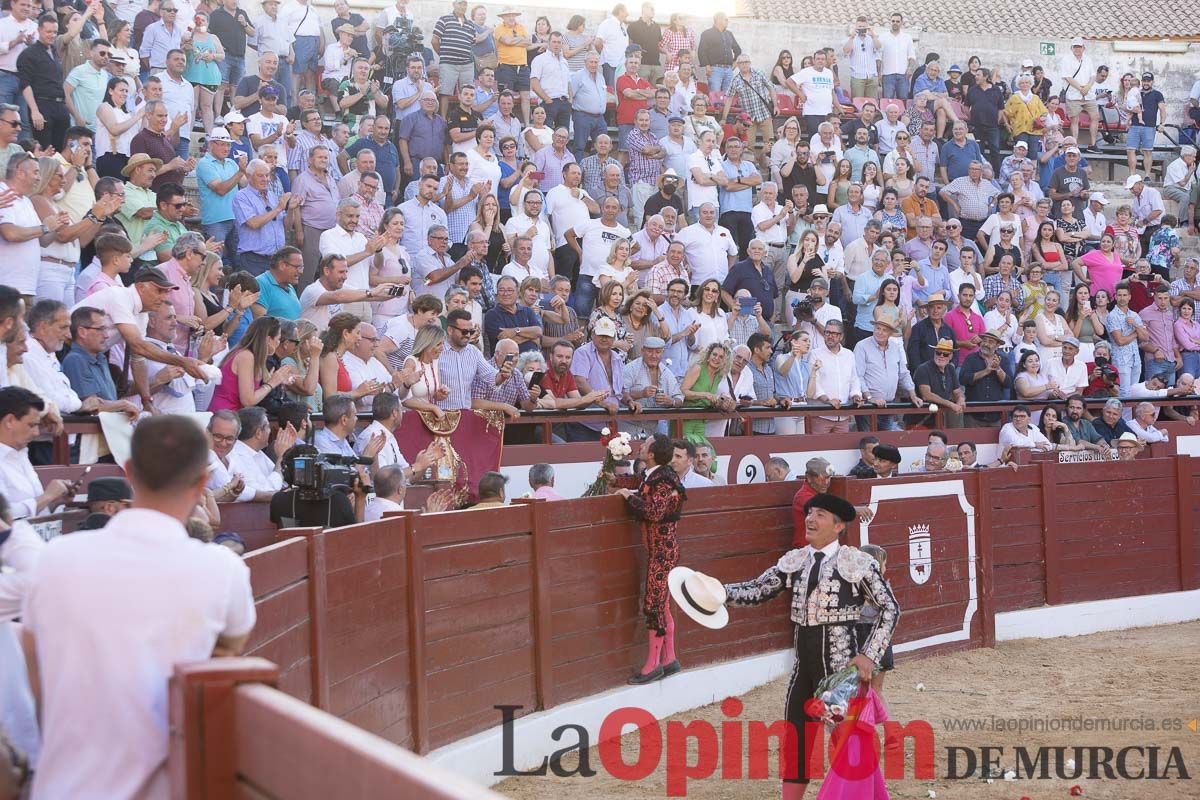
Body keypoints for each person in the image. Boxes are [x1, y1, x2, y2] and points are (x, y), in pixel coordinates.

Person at [21, 415, 255, 799]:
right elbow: (228, 653)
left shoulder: (53, 560)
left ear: (129, 472)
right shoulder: (222, 569)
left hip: (63, 786)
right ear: (201, 484)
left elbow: (37, 677)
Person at [716, 491, 897, 794]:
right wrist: (717, 593)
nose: (810, 519)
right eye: (809, 512)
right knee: (796, 742)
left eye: (820, 515)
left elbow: (889, 607)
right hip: (804, 668)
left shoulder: (855, 562)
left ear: (838, 526)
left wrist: (868, 655)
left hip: (840, 672)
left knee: (848, 745)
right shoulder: (796, 560)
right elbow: (759, 589)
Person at [616, 432, 686, 683]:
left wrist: (629, 498)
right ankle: (669, 658)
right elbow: (639, 482)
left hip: (663, 553)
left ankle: (653, 665)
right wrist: (611, 477)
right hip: (660, 550)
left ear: (652, 453)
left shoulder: (663, 479)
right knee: (661, 604)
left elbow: (654, 512)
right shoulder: (655, 475)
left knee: (654, 605)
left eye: (645, 445)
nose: (641, 446)